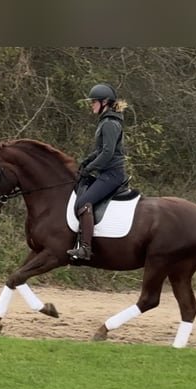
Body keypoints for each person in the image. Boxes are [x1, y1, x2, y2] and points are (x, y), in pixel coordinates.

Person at [67, 82, 129, 261]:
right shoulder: (106, 121)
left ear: (105, 103)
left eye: (94, 101)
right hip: (105, 173)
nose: (91, 104)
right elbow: (101, 149)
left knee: (84, 202)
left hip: (112, 175)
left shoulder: (110, 123)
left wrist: (89, 168)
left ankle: (85, 248)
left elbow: (108, 153)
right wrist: (87, 160)